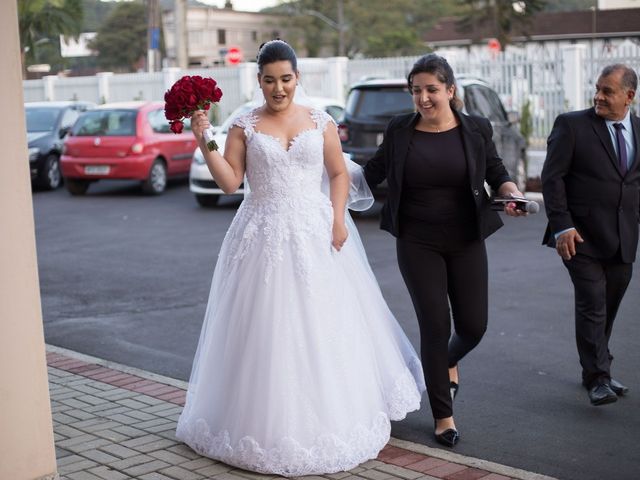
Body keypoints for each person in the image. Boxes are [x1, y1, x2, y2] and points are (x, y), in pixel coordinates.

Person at [175, 40, 425, 476]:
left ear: (297, 79)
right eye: (269, 80)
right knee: (265, 328)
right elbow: (231, 183)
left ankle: (335, 418)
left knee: (323, 323)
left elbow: (337, 172)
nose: (278, 88)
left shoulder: (320, 121)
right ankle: (257, 425)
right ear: (259, 81)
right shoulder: (243, 125)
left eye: (285, 79)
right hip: (262, 234)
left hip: (315, 232)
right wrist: (204, 139)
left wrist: (339, 217)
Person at [363, 54, 525, 447]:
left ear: (450, 91)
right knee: (435, 325)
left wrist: (511, 193)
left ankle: (448, 362)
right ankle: (443, 415)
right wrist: (327, 185)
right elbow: (370, 172)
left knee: (473, 326)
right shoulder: (401, 130)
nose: (423, 98)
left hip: (466, 237)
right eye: (416, 90)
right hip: (417, 241)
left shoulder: (475, 130)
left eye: (431, 89)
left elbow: (497, 172)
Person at [541, 64, 638, 406]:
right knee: (592, 303)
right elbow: (552, 178)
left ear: (630, 96)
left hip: (623, 238)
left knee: (608, 307)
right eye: (597, 88)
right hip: (578, 236)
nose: (598, 96)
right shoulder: (572, 125)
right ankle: (597, 377)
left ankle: (599, 371)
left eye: (607, 91)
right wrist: (561, 225)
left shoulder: (639, 130)